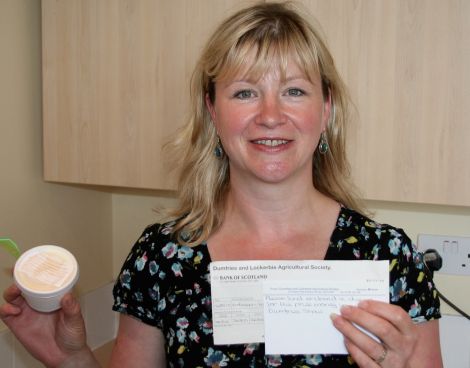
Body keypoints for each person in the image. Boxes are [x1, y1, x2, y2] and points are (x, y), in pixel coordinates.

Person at [1, 2, 443, 367]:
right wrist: (69, 359)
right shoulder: (163, 257)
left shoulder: (390, 259)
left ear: (325, 110)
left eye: (293, 91)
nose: (271, 115)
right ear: (212, 111)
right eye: (245, 92)